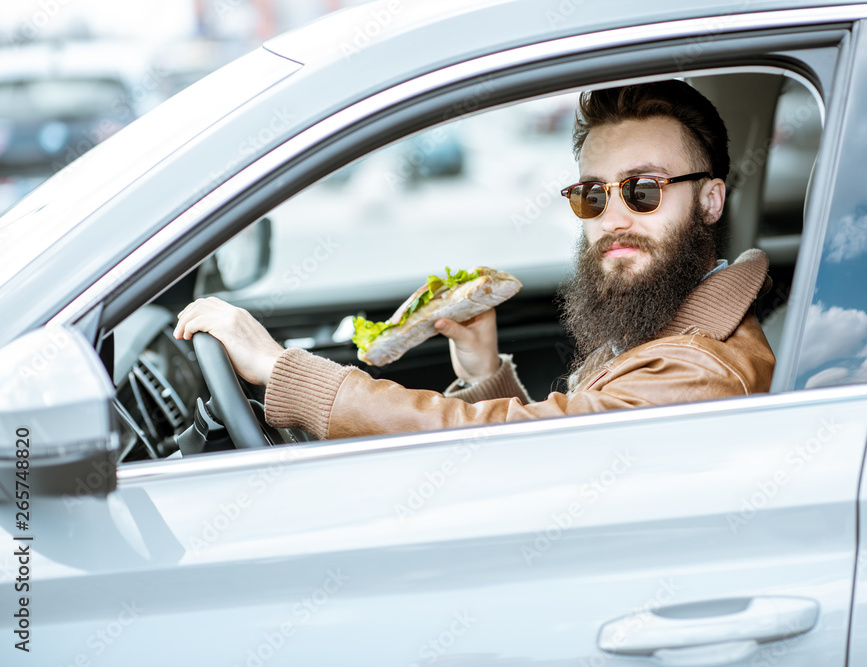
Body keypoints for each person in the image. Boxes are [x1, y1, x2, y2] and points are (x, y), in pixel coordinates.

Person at [174, 80, 775, 440]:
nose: (613, 218)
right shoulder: (669, 322)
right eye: (593, 194)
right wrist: (485, 368)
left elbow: (519, 447)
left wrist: (288, 373)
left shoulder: (698, 372)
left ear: (710, 199)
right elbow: (555, 441)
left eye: (643, 189)